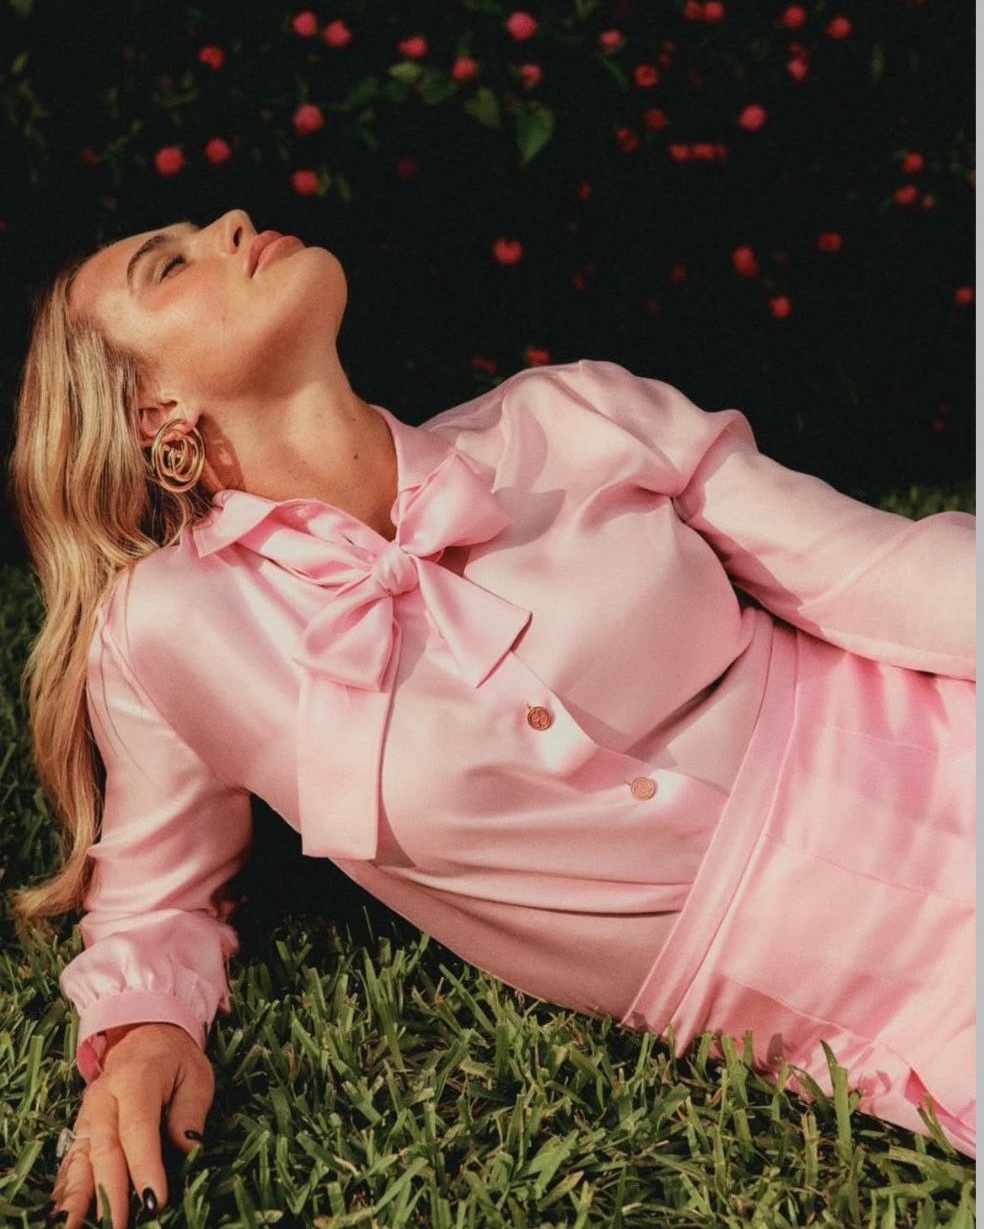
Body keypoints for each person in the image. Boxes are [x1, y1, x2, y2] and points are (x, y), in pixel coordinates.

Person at [11, 209, 974, 1229]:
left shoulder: (570, 413)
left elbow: (878, 575)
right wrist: (147, 1033)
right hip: (847, 993)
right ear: (152, 414)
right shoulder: (170, 629)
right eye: (170, 264)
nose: (233, 221)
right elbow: (154, 897)